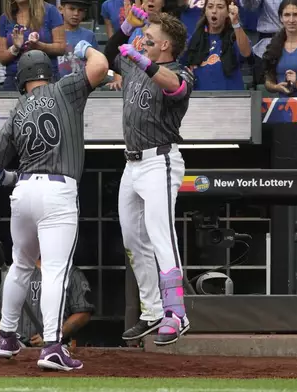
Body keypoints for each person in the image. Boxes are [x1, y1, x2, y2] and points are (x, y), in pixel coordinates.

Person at [0, 43, 108, 370]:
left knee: (20, 265)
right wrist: (84, 47)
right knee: (55, 270)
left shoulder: (18, 109)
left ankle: (6, 337)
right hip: (57, 192)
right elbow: (101, 66)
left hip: (23, 192)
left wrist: (14, 178)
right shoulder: (64, 88)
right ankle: (51, 345)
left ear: (22, 80)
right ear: (48, 73)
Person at [103, 8, 192, 345]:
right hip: (132, 164)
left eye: (149, 39)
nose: (142, 41)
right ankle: (153, 310)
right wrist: (127, 26)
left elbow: (176, 87)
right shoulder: (136, 61)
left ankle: (177, 312)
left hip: (160, 160)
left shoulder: (178, 70)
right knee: (132, 240)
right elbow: (109, 54)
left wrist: (141, 60)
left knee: (160, 234)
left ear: (165, 46)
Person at [0, 258, 94, 349]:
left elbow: (83, 313)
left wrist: (53, 335)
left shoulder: (70, 273)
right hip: (16, 345)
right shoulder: (16, 272)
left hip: (56, 346)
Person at [0, 0, 66, 91]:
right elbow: (2, 58)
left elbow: (61, 48)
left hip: (46, 81)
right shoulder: (5, 18)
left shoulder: (50, 11)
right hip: (14, 83)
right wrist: (15, 48)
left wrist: (40, 46)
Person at [184, 0, 252, 91]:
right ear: (205, 11)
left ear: (228, 12)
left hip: (232, 100)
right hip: (200, 100)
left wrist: (235, 22)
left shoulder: (235, 36)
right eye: (210, 6)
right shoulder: (194, 40)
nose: (214, 11)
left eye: (220, 7)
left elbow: (246, 53)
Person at [57, 0, 98, 78]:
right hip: (55, 85)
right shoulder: (53, 34)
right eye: (72, 9)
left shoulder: (89, 35)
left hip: (82, 85)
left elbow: (95, 63)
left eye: (81, 10)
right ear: (61, 9)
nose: (76, 13)